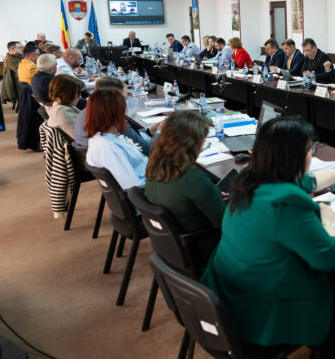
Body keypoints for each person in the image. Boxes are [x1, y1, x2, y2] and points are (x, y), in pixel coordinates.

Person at [201, 116, 335, 355]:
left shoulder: (248, 180)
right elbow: (330, 258)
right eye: (309, 149)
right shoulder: (287, 201)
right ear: (294, 157)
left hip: (230, 295)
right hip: (263, 311)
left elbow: (305, 182)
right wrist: (328, 222)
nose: (310, 155)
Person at [145, 111, 226, 262]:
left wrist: (211, 196)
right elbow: (226, 223)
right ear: (191, 143)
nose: (202, 146)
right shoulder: (192, 178)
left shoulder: (155, 166)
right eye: (202, 140)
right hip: (205, 249)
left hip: (173, 250)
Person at [74, 76, 159, 156]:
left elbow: (131, 140)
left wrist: (147, 132)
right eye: (124, 98)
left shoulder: (85, 113)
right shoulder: (112, 120)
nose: (124, 102)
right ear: (114, 97)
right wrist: (160, 132)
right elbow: (147, 150)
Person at [85, 88, 148, 190]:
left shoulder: (99, 138)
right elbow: (133, 188)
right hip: (151, 189)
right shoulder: (109, 148)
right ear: (116, 114)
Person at [45, 74, 84, 139]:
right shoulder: (62, 113)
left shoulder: (61, 106)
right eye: (78, 93)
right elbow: (83, 139)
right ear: (66, 94)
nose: (80, 97)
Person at [1, 41, 23, 106]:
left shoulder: (18, 56)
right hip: (17, 85)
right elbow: (20, 71)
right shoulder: (10, 59)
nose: (22, 49)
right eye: (20, 48)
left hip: (19, 82)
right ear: (12, 49)